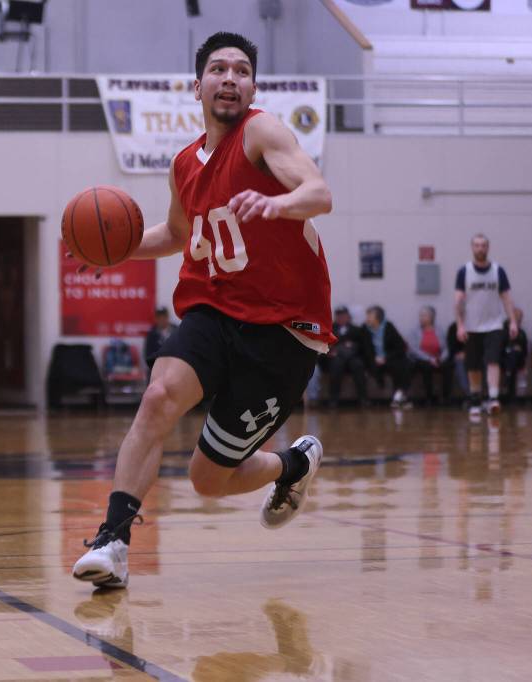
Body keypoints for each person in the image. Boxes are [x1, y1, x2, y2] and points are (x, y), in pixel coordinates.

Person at [73, 32, 335, 589]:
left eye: (242, 71)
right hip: (215, 311)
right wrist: (115, 250)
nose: (231, 79)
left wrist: (277, 203)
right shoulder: (185, 164)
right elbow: (175, 232)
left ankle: (292, 464)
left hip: (284, 331)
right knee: (158, 395)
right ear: (198, 86)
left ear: (253, 87)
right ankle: (113, 541)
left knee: (208, 480)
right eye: (218, 69)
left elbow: (318, 192)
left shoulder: (262, 132)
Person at [454, 233, 518, 417]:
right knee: (473, 365)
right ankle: (475, 398)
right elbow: (458, 301)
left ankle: (493, 398)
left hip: (494, 325)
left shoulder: (498, 270)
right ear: (472, 248)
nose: (480, 248)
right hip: (471, 326)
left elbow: (506, 298)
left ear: (488, 248)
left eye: (483, 245)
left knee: (493, 361)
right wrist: (459, 325)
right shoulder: (464, 271)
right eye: (477, 245)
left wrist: (512, 321)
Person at [362, 305, 411, 408]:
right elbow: (365, 349)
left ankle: (399, 394)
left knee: (403, 363)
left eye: (370, 316)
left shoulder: (388, 327)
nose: (367, 318)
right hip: (372, 360)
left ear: (377, 318)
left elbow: (401, 346)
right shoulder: (364, 328)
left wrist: (385, 358)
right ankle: (399, 396)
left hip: (388, 358)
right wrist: (375, 359)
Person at [324, 305, 369, 407]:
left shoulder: (356, 329)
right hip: (336, 358)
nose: (341, 318)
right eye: (339, 316)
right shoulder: (330, 329)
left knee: (358, 365)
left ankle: (363, 398)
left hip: (353, 357)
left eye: (343, 316)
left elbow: (363, 347)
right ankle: (333, 399)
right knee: (336, 366)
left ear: (348, 317)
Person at [408, 305, 444, 405]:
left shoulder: (439, 330)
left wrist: (441, 358)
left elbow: (445, 348)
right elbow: (414, 349)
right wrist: (429, 359)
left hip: (437, 357)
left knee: (449, 365)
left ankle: (445, 397)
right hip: (421, 359)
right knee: (426, 366)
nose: (421, 318)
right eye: (420, 316)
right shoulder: (414, 331)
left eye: (424, 316)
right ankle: (429, 397)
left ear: (431, 317)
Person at [501, 308, 528, 404]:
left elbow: (525, 352)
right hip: (502, 360)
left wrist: (517, 350)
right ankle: (510, 395)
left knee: (514, 357)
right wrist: (511, 348)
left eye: (519, 318)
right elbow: (499, 348)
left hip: (517, 360)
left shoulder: (522, 333)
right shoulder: (502, 331)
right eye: (515, 316)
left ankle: (507, 378)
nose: (517, 319)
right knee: (511, 356)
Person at [443, 321, 469, 404]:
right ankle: (470, 394)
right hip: (457, 356)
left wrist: (467, 353)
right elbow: (451, 346)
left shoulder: (476, 327)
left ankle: (482, 395)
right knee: (459, 362)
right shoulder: (453, 327)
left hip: (475, 355)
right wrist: (459, 353)